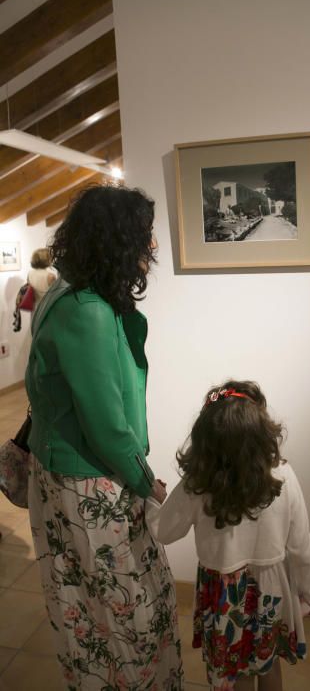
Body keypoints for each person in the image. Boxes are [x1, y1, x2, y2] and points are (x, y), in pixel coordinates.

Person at [25, 184, 183, 690]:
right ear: (116, 240)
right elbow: (106, 425)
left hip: (72, 479)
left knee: (87, 611)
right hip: (90, 487)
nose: (151, 248)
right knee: (123, 619)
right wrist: (146, 482)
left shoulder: (68, 293)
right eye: (144, 237)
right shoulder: (87, 310)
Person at [147, 380, 310, 691]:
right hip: (272, 587)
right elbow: (301, 545)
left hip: (224, 596)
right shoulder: (283, 474)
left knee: (236, 673)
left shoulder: (197, 483)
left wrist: (151, 500)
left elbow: (163, 531)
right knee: (269, 663)